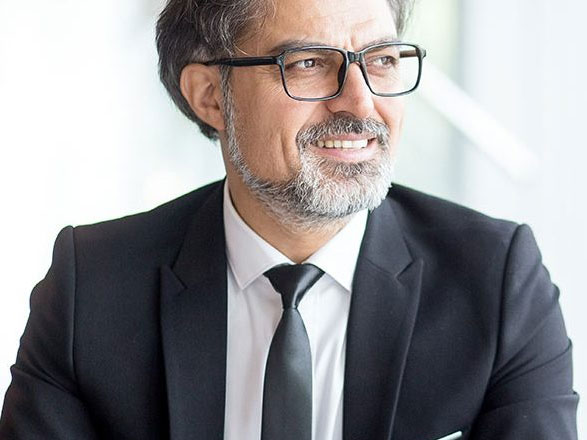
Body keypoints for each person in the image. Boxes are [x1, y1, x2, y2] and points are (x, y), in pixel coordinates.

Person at [0, 0, 578, 438]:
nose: (361, 103)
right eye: (307, 64)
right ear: (209, 96)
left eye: (380, 60)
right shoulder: (91, 288)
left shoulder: (498, 283)